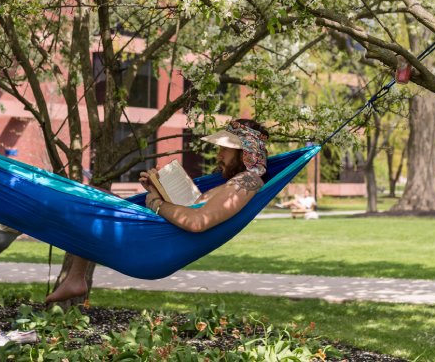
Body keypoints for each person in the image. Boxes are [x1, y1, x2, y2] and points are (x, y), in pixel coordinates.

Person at [45, 118, 269, 303]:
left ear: (245, 153)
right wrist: (157, 190)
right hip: (159, 232)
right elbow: (193, 206)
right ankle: (76, 277)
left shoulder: (247, 182)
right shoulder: (236, 181)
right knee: (90, 196)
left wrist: (155, 203)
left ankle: (73, 274)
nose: (218, 155)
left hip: (158, 242)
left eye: (224, 149)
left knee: (88, 201)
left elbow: (197, 222)